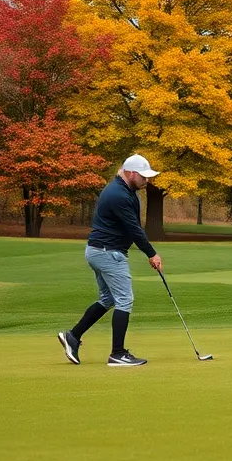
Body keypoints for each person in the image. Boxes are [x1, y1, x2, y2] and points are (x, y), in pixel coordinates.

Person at [57, 154, 163, 367]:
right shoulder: (118, 195)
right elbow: (134, 229)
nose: (147, 180)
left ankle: (73, 336)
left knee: (108, 299)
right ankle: (118, 354)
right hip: (108, 252)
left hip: (99, 251)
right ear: (131, 173)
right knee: (125, 299)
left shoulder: (127, 191)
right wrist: (152, 254)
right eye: (143, 176)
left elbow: (133, 226)